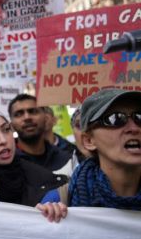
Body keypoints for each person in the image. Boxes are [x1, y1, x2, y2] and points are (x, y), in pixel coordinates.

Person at [39, 89, 141, 220]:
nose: (134, 128)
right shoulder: (60, 199)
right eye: (115, 119)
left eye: (139, 117)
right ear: (88, 141)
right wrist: (45, 219)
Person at [8, 94, 72, 172]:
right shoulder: (6, 164)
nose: (27, 117)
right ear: (11, 126)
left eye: (33, 111)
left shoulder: (67, 160)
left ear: (46, 118)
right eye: (19, 114)